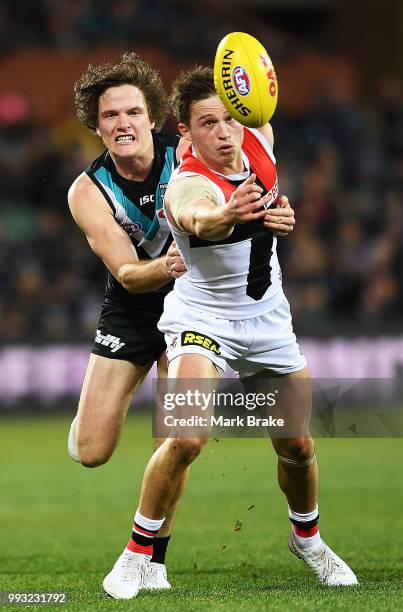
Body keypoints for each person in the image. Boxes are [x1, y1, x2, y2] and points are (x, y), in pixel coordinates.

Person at [114, 66, 358, 597]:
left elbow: (263, 139)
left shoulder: (260, 139)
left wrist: (282, 215)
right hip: (202, 319)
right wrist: (227, 213)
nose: (223, 133)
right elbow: (199, 218)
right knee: (186, 435)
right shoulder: (188, 182)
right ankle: (136, 554)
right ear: (186, 132)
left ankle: (308, 540)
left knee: (296, 445)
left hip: (267, 320)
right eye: (207, 123)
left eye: (229, 119)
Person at [66, 52, 190, 596]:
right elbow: (126, 272)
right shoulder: (87, 191)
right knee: (90, 451)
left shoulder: (185, 155)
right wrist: (167, 263)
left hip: (192, 304)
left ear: (152, 116)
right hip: (134, 303)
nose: (122, 123)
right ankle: (87, 417)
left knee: (177, 435)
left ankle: (153, 560)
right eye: (110, 115)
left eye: (132, 112)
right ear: (97, 126)